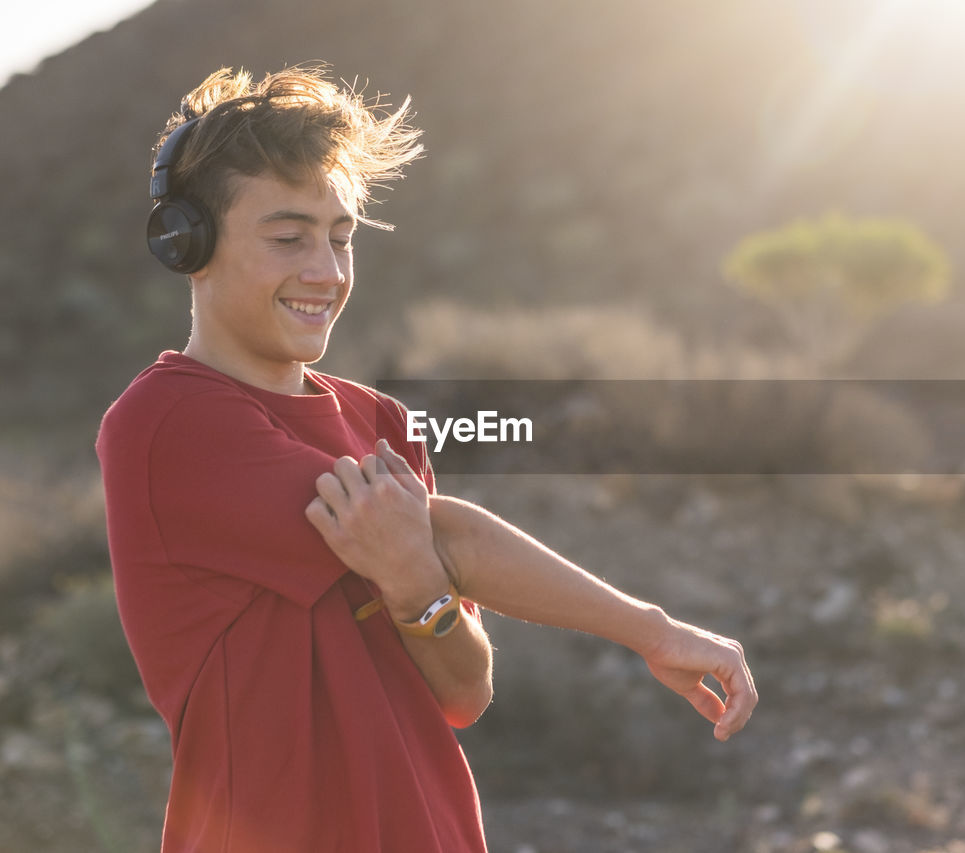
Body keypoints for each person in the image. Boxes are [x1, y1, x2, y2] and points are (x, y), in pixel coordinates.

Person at [96, 64, 757, 853]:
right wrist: (651, 630)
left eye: (341, 239)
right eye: (288, 238)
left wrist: (416, 589)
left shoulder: (380, 421)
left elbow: (463, 690)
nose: (327, 272)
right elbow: (451, 539)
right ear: (187, 242)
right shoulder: (168, 422)